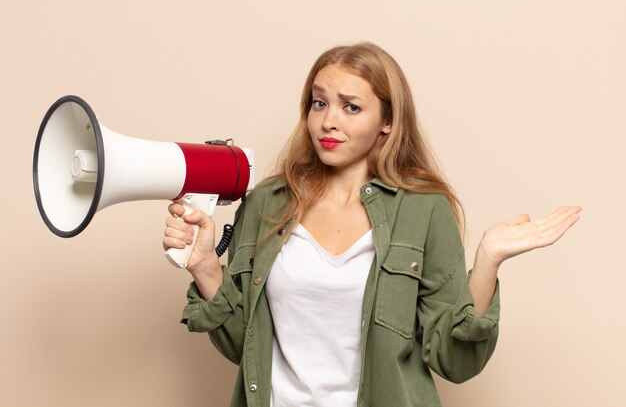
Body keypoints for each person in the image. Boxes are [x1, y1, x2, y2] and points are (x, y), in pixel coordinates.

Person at [162, 42, 581, 407]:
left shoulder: (423, 209)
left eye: (351, 107)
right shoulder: (267, 204)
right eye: (319, 102)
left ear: (388, 121)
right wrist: (205, 269)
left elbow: (455, 362)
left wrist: (488, 260)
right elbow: (243, 345)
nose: (328, 121)